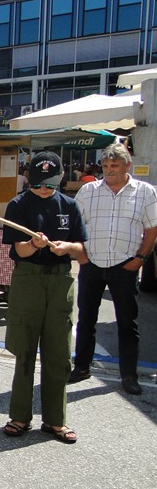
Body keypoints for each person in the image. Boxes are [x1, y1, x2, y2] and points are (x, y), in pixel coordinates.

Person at [1, 152, 86, 443]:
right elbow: (16, 250)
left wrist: (66, 248)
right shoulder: (18, 205)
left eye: (49, 184)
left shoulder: (70, 206)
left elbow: (81, 249)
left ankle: (55, 421)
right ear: (29, 178)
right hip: (28, 278)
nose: (43, 189)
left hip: (61, 280)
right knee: (24, 349)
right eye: (38, 183)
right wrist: (33, 244)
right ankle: (20, 416)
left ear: (60, 177)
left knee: (59, 353)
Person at [70, 143, 157, 395]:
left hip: (125, 265)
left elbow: (152, 229)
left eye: (114, 166)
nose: (109, 170)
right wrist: (82, 256)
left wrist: (140, 258)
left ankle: (128, 375)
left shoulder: (145, 192)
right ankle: (82, 367)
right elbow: (77, 224)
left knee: (127, 323)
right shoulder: (89, 191)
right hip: (92, 263)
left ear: (127, 166)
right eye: (106, 165)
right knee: (86, 319)